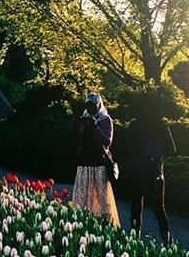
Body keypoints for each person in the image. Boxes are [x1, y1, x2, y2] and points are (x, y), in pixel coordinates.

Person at [128, 97, 176, 245]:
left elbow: (125, 147)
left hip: (138, 170)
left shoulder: (134, 125)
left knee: (136, 205)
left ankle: (134, 241)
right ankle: (167, 243)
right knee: (159, 208)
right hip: (156, 171)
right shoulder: (161, 125)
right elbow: (172, 149)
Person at [73, 92, 120, 226]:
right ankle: (82, 223)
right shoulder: (85, 118)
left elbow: (107, 141)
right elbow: (80, 141)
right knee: (82, 197)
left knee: (102, 198)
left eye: (92, 105)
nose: (89, 108)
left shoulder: (105, 120)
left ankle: (106, 224)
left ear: (98, 105)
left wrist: (94, 127)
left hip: (99, 163)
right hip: (84, 162)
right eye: (88, 105)